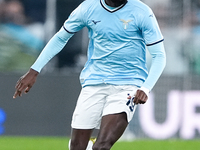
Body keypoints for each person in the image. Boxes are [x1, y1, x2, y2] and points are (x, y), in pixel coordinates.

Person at [13, 0, 166, 149]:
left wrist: (145, 88)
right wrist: (34, 70)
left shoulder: (142, 12)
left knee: (102, 146)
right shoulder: (88, 8)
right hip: (93, 83)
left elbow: (159, 56)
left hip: (127, 85)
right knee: (77, 146)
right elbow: (61, 37)